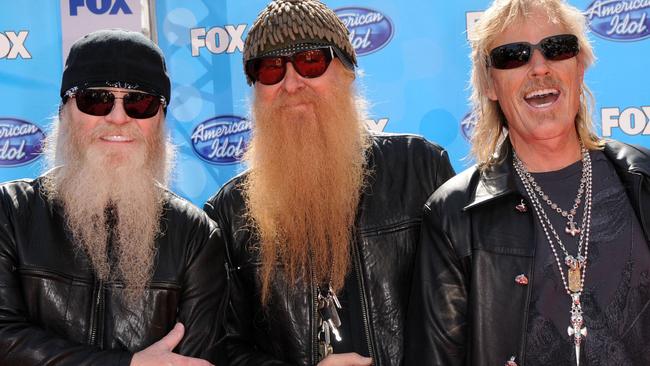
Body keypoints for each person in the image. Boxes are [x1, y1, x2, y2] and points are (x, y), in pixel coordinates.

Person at [202, 1, 454, 365]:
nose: (291, 83)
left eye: (310, 62)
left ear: (348, 72)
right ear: (256, 90)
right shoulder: (229, 212)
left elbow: (462, 313)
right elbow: (222, 346)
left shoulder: (420, 168)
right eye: (271, 69)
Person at [404, 0, 650, 365]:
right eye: (512, 56)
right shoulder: (454, 214)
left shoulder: (642, 178)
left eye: (557, 48)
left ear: (579, 66)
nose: (539, 67)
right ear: (490, 84)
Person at [0, 29, 225, 365]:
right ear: (64, 112)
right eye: (96, 99)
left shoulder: (196, 235)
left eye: (140, 102)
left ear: (161, 120)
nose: (118, 117)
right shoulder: (10, 211)